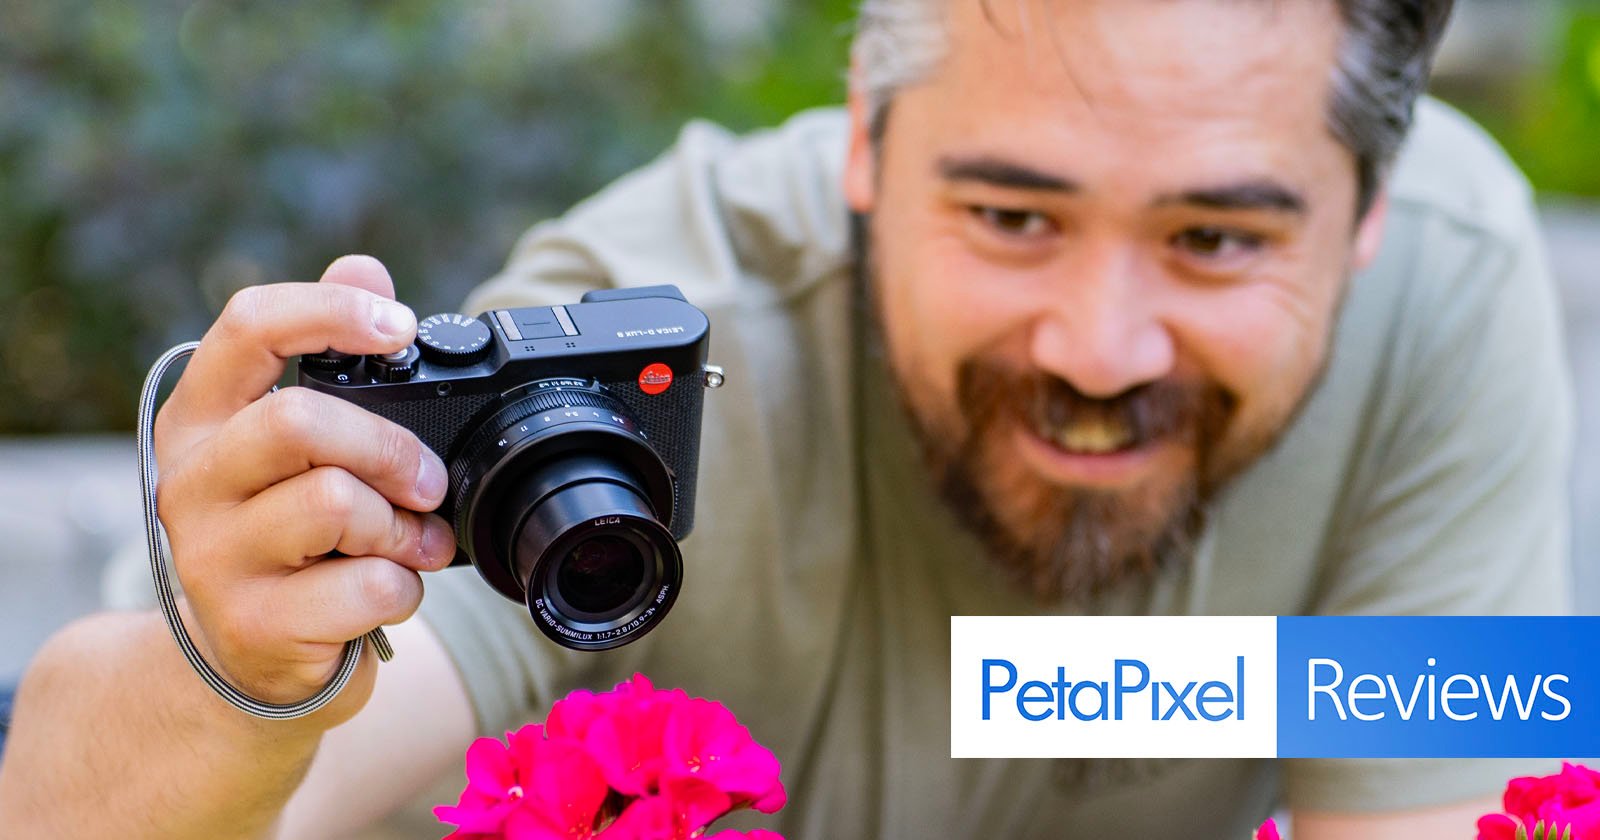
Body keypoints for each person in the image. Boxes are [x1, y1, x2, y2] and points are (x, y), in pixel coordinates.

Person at [0, 0, 1575, 837]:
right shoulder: (662, 342)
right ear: (865, 146)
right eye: (1012, 217)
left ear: (1369, 216)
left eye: (1216, 241)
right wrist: (230, 673)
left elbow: (1439, 794)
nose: (1098, 348)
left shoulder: (1449, 275)